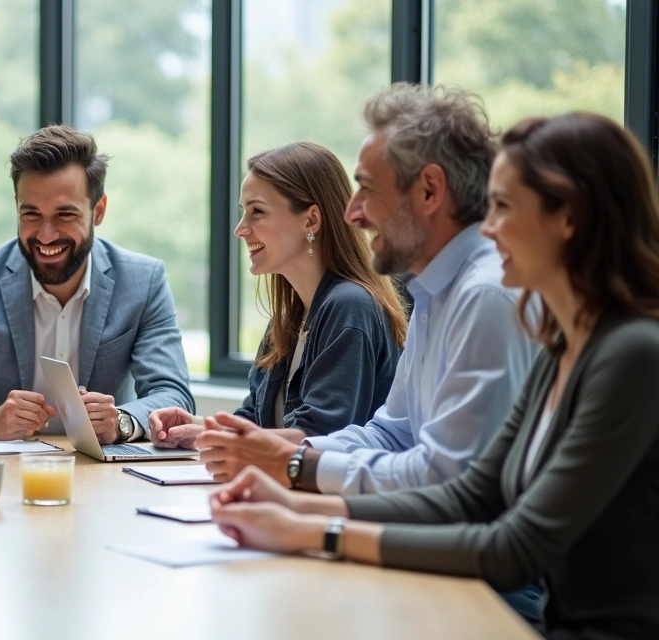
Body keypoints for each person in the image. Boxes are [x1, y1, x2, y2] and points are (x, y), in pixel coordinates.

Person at [209, 111, 659, 640]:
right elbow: (469, 493)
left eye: (504, 207)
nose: (487, 228)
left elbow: (514, 547)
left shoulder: (626, 351)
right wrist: (294, 497)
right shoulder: (565, 344)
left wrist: (311, 524)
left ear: (568, 220)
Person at [193, 84, 536, 493]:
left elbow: (450, 481)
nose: (352, 212)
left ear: (429, 189)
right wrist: (275, 453)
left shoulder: (484, 298)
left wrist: (299, 471)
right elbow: (389, 436)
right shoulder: (432, 297)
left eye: (368, 189)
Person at [0, 125, 194, 443]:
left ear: (98, 211)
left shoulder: (143, 282)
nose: (45, 235)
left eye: (64, 215)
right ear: (17, 206)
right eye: (30, 214)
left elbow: (174, 395)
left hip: (102, 474)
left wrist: (122, 422)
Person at [149, 142, 406, 449]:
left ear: (311, 220)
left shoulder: (350, 306)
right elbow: (255, 421)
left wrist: (215, 437)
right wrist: (196, 428)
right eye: (244, 212)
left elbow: (320, 437)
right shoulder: (288, 320)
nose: (240, 229)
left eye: (257, 212)